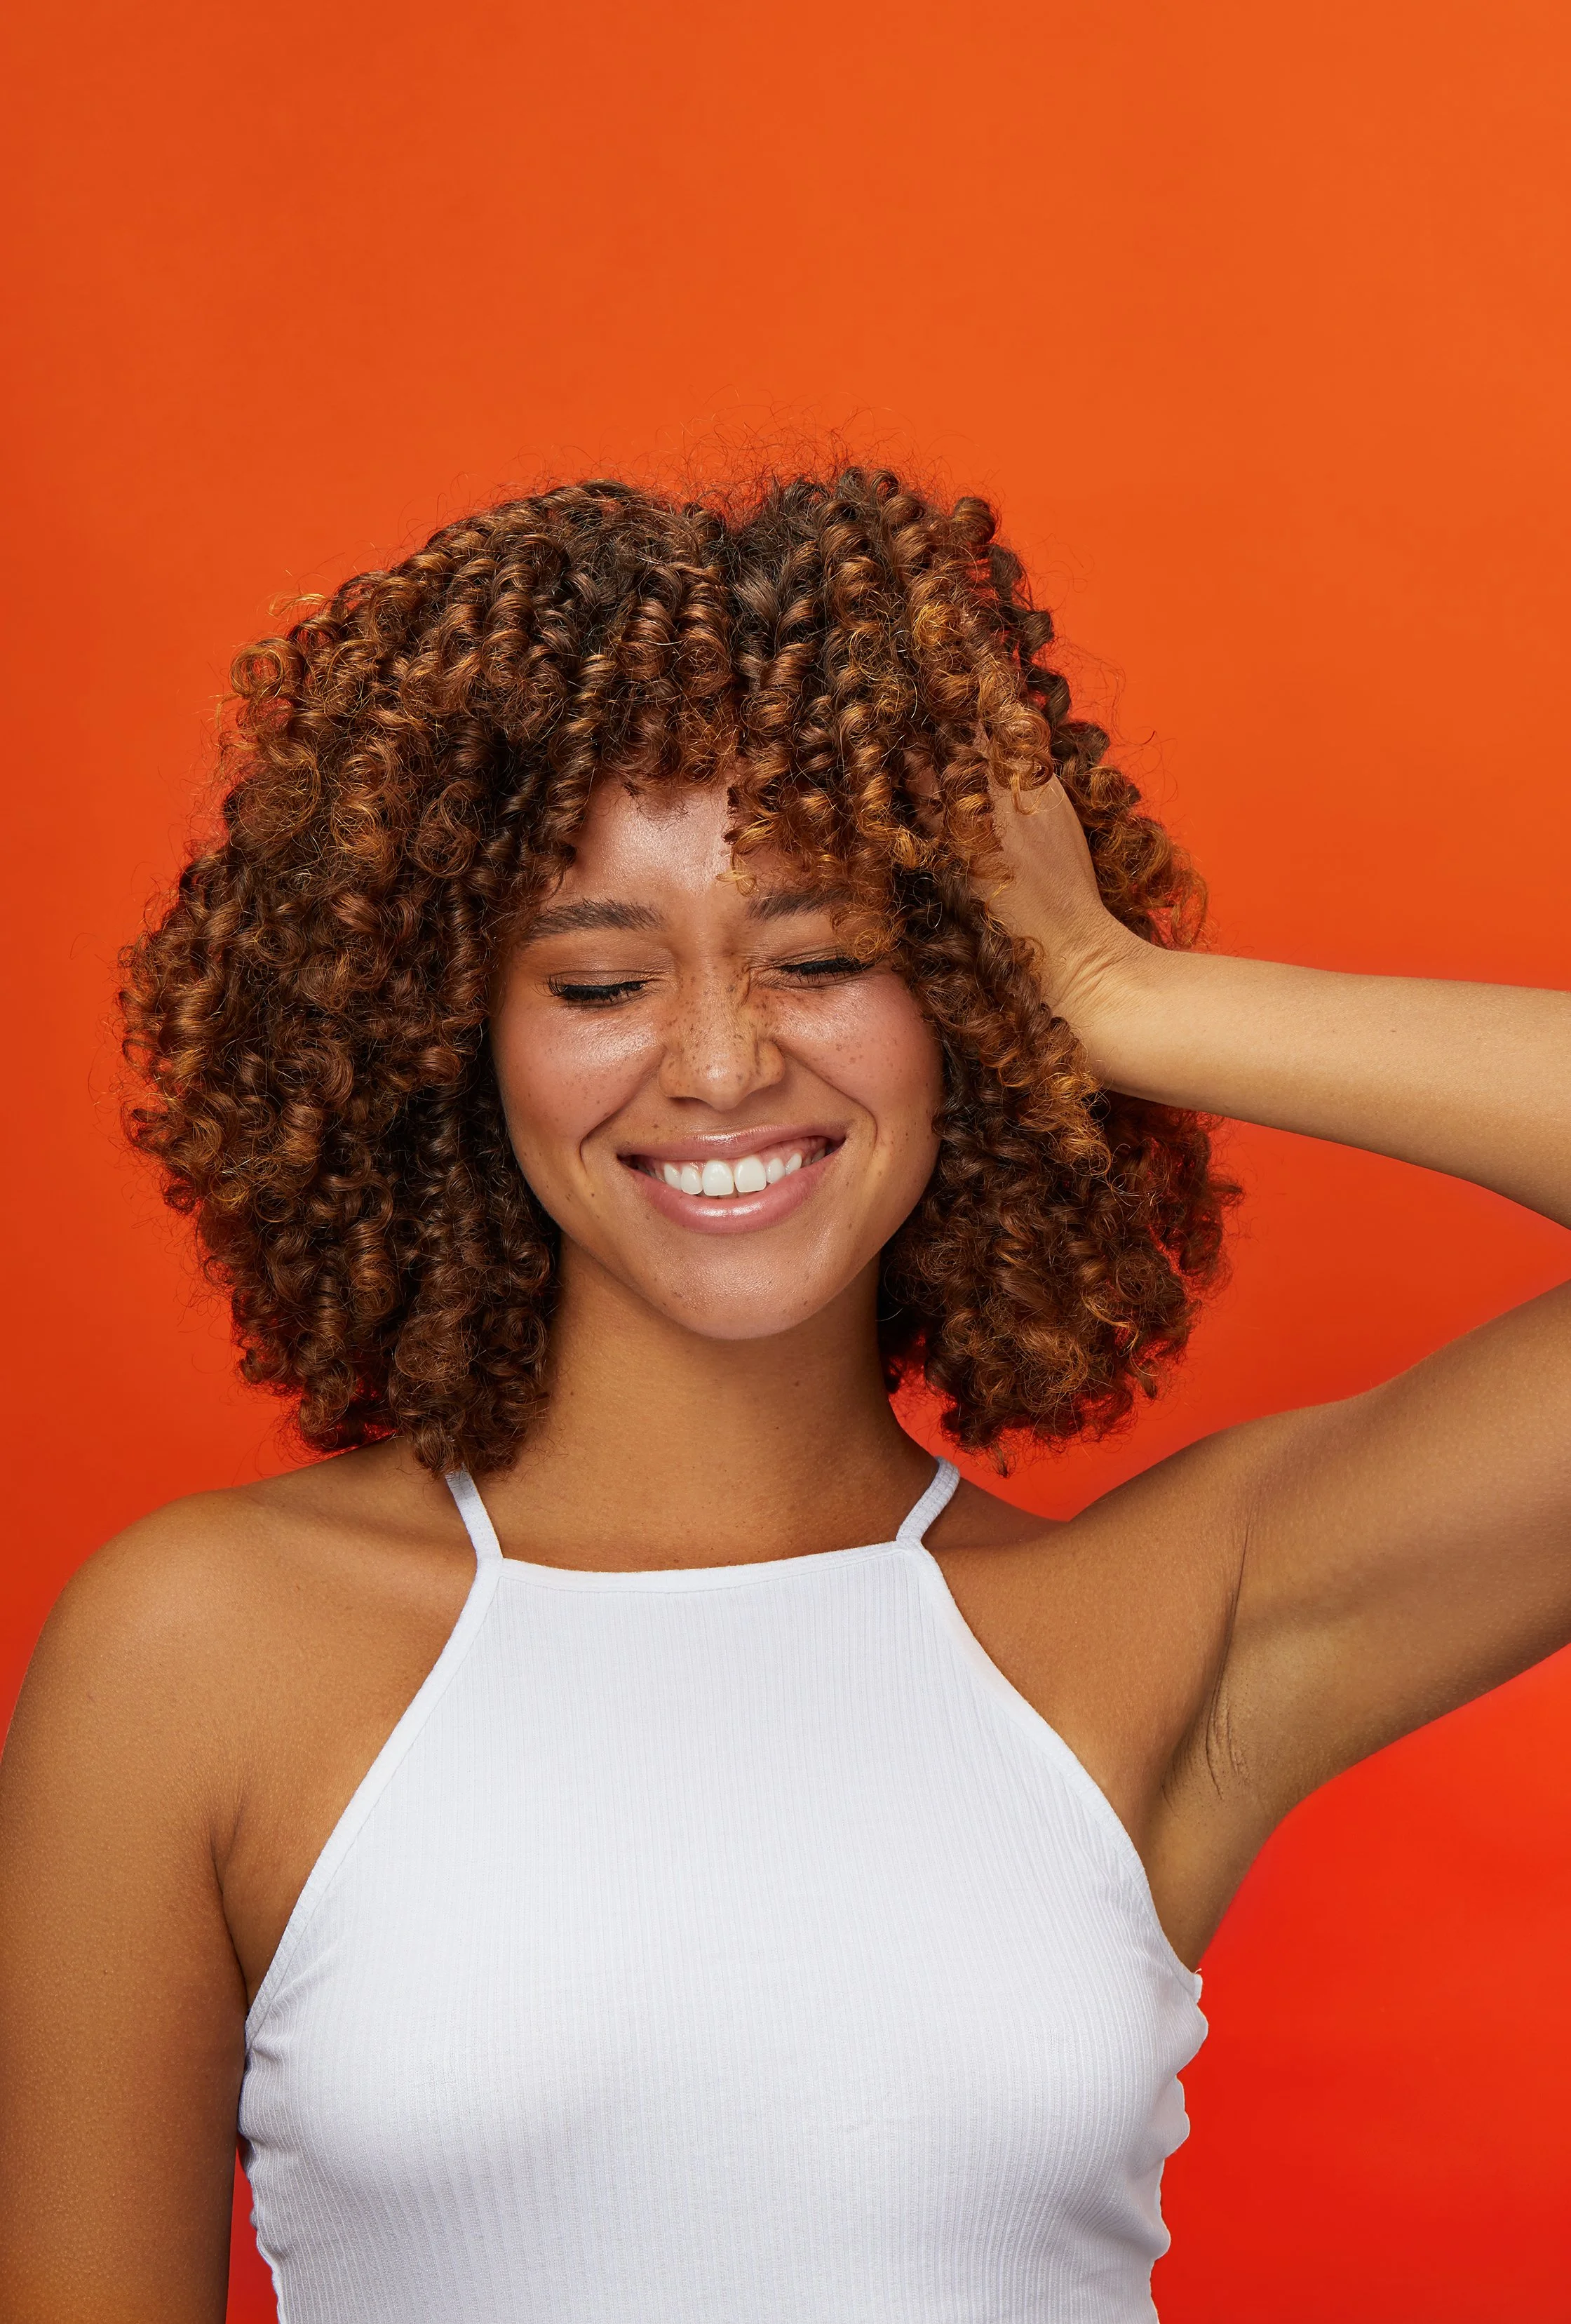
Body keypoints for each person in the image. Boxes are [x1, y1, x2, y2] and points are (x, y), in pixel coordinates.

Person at [0, 470, 1565, 2324]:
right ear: (446, 1031)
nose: (726, 1062)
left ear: (961, 1009)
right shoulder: (198, 1652)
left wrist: (1110, 987)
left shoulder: (1156, 1625)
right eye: (598, 978)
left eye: (823, 958)